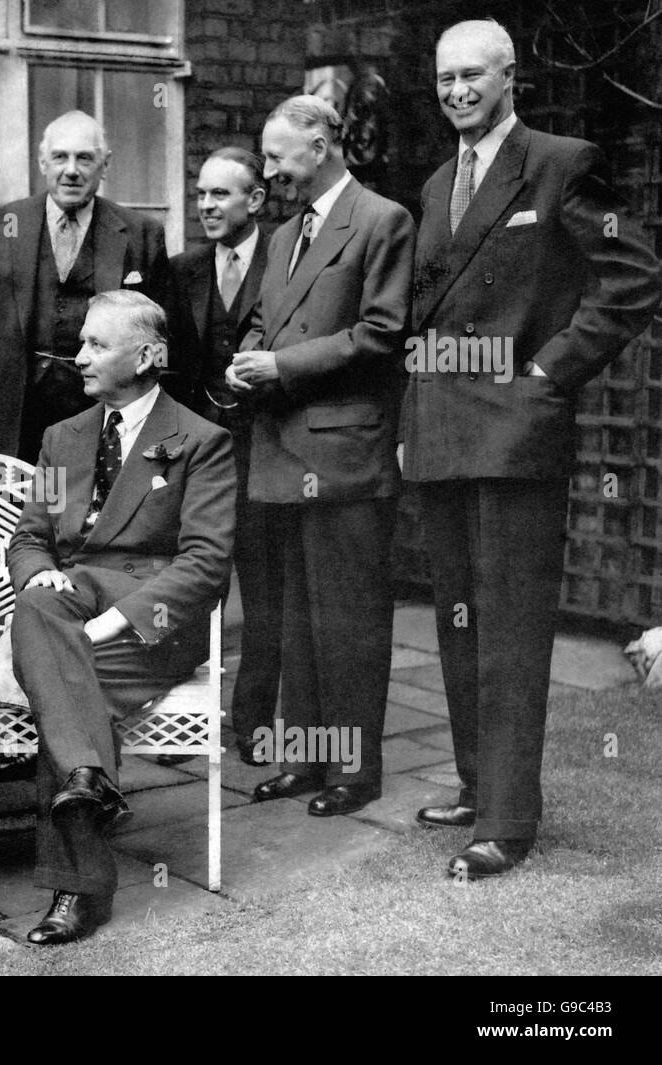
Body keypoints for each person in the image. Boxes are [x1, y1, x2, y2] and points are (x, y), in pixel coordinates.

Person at [403, 19, 662, 879]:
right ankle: (480, 786)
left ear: (512, 77)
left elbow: (634, 278)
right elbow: (422, 318)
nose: (457, 92)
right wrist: (412, 422)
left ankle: (508, 821)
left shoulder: (561, 161)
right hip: (442, 431)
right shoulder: (440, 179)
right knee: (460, 623)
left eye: (473, 76)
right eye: (444, 79)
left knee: (509, 629)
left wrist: (548, 371)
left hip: (515, 435)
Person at [8, 291, 235, 944]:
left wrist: (112, 624)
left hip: (152, 619)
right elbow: (28, 537)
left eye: (95, 344)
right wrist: (36, 571)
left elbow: (204, 563)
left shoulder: (199, 441)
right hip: (69, 603)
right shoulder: (63, 438)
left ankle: (77, 887)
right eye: (80, 342)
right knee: (39, 606)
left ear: (147, 356)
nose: (76, 355)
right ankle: (91, 781)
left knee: (59, 678)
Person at [231, 95, 414, 817]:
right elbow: (258, 320)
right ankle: (304, 759)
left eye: (277, 155)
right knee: (296, 619)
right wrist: (247, 356)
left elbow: (380, 334)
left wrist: (279, 366)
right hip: (281, 448)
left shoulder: (382, 220)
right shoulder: (281, 237)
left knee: (349, 619)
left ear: (322, 143)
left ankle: (353, 770)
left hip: (343, 453)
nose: (267, 169)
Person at [166, 147, 279, 766]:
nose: (206, 206)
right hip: (198, 457)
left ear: (255, 200)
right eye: (201, 194)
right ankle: (179, 723)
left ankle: (255, 724)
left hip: (269, 451)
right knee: (190, 586)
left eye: (221, 195)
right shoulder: (180, 270)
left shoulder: (286, 261)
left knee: (263, 592)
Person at [0, 110, 170, 462]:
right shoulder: (0, 225)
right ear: (42, 161)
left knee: (90, 507)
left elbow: (164, 344)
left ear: (105, 165)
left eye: (85, 158)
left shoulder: (141, 234)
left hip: (102, 407)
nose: (72, 170)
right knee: (21, 510)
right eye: (60, 157)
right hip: (15, 413)